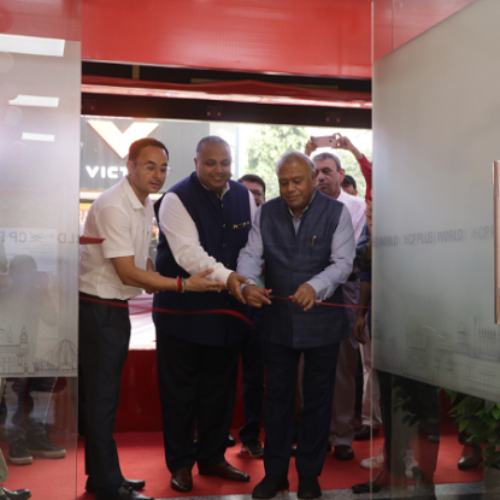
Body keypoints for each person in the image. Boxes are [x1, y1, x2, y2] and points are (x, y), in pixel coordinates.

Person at [79, 137, 222, 500]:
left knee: (104, 397)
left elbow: (139, 263)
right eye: (148, 166)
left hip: (114, 307)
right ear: (129, 165)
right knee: (101, 399)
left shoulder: (143, 202)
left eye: (162, 168)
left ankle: (103, 475)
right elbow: (127, 273)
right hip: (99, 308)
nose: (157, 175)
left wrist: (153, 275)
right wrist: (181, 284)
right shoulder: (114, 205)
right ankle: (107, 484)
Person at [231, 151, 355, 500]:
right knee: (277, 401)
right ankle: (275, 474)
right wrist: (247, 283)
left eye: (297, 181)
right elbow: (251, 254)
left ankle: (310, 474)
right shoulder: (266, 211)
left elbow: (343, 263)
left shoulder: (337, 212)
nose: (289, 189)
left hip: (323, 324)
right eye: (283, 182)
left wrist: (315, 286)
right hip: (277, 322)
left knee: (318, 401)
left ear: (314, 179)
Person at [153, 136, 255, 493]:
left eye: (225, 163)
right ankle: (180, 464)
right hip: (181, 316)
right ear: (196, 162)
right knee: (179, 394)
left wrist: (250, 281)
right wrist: (232, 279)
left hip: (228, 317)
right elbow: (189, 255)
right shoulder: (175, 199)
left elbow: (252, 248)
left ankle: (212, 457)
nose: (218, 170)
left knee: (220, 393)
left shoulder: (243, 196)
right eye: (210, 163)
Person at [236, 174, 266, 458]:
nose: (253, 197)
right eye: (246, 192)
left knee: (255, 378)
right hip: (228, 308)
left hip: (260, 311)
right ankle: (214, 436)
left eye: (257, 192)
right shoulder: (228, 225)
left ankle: (250, 436)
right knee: (219, 377)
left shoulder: (272, 224)